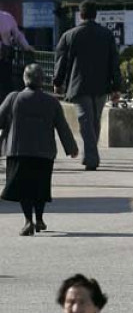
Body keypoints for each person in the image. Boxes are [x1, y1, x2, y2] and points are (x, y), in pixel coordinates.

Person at [0, 64, 78, 236]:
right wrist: (71, 148)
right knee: (40, 186)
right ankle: (40, 219)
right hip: (44, 152)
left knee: (24, 189)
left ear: (24, 79)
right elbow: (62, 127)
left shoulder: (13, 98)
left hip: (18, 150)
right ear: (43, 81)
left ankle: (28, 221)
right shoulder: (52, 101)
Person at [53, 0, 122, 171]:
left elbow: (61, 61)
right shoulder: (106, 34)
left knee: (85, 121)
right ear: (95, 14)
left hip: (79, 85)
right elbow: (114, 62)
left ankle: (91, 157)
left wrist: (58, 82)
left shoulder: (69, 35)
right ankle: (91, 154)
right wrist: (116, 87)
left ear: (80, 14)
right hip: (101, 85)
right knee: (94, 121)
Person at [0, 9, 35, 102]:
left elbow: (18, 35)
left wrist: (26, 46)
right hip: (5, 56)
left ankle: (6, 108)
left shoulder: (7, 17)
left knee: (5, 84)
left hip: (4, 58)